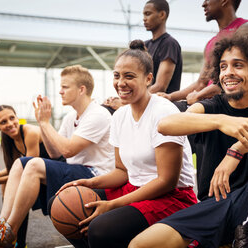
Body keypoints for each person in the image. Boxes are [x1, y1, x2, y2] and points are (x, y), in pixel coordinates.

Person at [129, 35, 248, 248]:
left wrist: (238, 149)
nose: (228, 72)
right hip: (217, 205)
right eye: (223, 67)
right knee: (141, 244)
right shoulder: (212, 106)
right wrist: (222, 121)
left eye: (238, 65)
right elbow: (166, 124)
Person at [55, 40, 196, 248]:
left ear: (148, 79)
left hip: (172, 197)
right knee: (60, 206)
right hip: (133, 187)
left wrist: (112, 205)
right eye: (117, 75)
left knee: (101, 228)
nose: (121, 82)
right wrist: (89, 183)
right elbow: (122, 171)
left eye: (129, 76)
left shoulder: (163, 112)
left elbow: (167, 181)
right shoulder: (120, 116)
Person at [0, 65, 115, 248]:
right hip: (77, 171)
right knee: (21, 164)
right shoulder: (71, 117)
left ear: (81, 89)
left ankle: (8, 231)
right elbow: (55, 153)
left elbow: (68, 151)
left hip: (97, 176)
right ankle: (1, 226)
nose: (60, 91)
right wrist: (43, 123)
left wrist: (45, 122)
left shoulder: (97, 114)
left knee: (34, 165)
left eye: (65, 87)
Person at [0, 105, 53, 248]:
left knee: (13, 186)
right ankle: (5, 235)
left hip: (54, 172)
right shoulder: (9, 139)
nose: (10, 124)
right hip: (39, 174)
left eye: (12, 118)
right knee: (6, 184)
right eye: (3, 122)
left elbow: (27, 171)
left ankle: (8, 237)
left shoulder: (30, 133)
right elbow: (13, 169)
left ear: (17, 117)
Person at [159, 0, 248, 110]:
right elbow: (201, 83)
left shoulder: (247, 29)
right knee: (162, 109)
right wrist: (170, 97)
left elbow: (238, 78)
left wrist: (199, 95)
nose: (204, 4)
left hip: (228, 104)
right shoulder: (211, 42)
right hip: (208, 102)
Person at [103, 0, 182, 113]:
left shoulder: (169, 44)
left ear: (162, 15)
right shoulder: (146, 45)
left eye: (148, 14)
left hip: (158, 105)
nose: (144, 18)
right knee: (105, 107)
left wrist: (126, 101)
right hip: (139, 100)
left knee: (108, 111)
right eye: (143, 14)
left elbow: (160, 86)